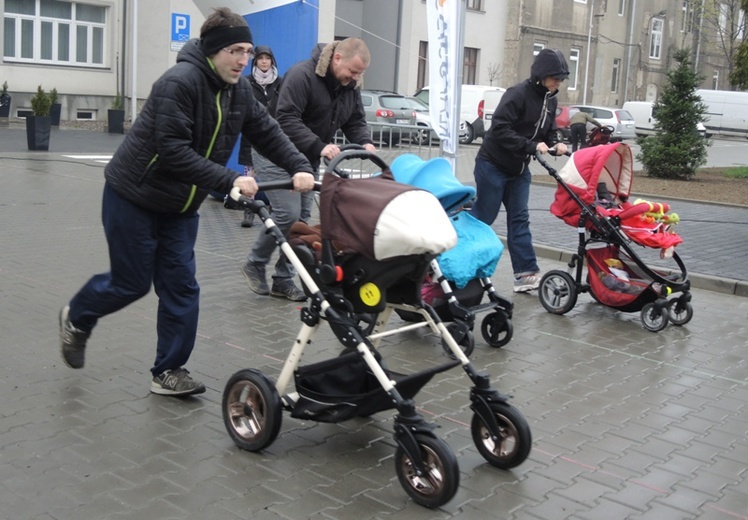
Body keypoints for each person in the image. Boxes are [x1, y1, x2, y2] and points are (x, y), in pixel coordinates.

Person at [58, 8, 315, 396]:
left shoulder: (240, 89)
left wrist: (299, 164)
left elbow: (267, 131)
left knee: (181, 287)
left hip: (181, 206)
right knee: (131, 283)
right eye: (236, 51)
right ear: (213, 50)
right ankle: (77, 316)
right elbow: (173, 151)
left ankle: (169, 370)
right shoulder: (178, 83)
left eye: (248, 51)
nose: (244, 60)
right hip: (134, 196)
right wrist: (231, 179)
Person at [241, 38, 376, 301]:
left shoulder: (349, 85)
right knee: (288, 214)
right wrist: (320, 145)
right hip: (274, 153)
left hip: (306, 158)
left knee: (301, 222)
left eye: (360, 74)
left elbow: (355, 119)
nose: (355, 78)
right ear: (337, 58)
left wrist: (366, 142)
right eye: (353, 71)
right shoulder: (302, 75)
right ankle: (255, 262)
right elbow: (286, 118)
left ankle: (283, 278)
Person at [470, 48, 569, 293]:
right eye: (554, 76)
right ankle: (457, 256)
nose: (558, 82)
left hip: (519, 168)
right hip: (492, 164)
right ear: (541, 75)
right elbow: (500, 129)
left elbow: (548, 129)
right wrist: (531, 146)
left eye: (561, 78)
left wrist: (556, 141)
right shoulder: (518, 94)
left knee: (519, 218)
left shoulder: (550, 98)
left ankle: (525, 274)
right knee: (484, 216)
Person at [240, 45, 283, 228]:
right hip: (251, 137)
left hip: (273, 137)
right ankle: (249, 210)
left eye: (267, 58)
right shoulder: (246, 82)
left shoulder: (280, 82)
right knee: (250, 177)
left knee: (275, 176)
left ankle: (274, 212)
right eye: (260, 58)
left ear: (272, 61)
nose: (264, 61)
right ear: (255, 61)